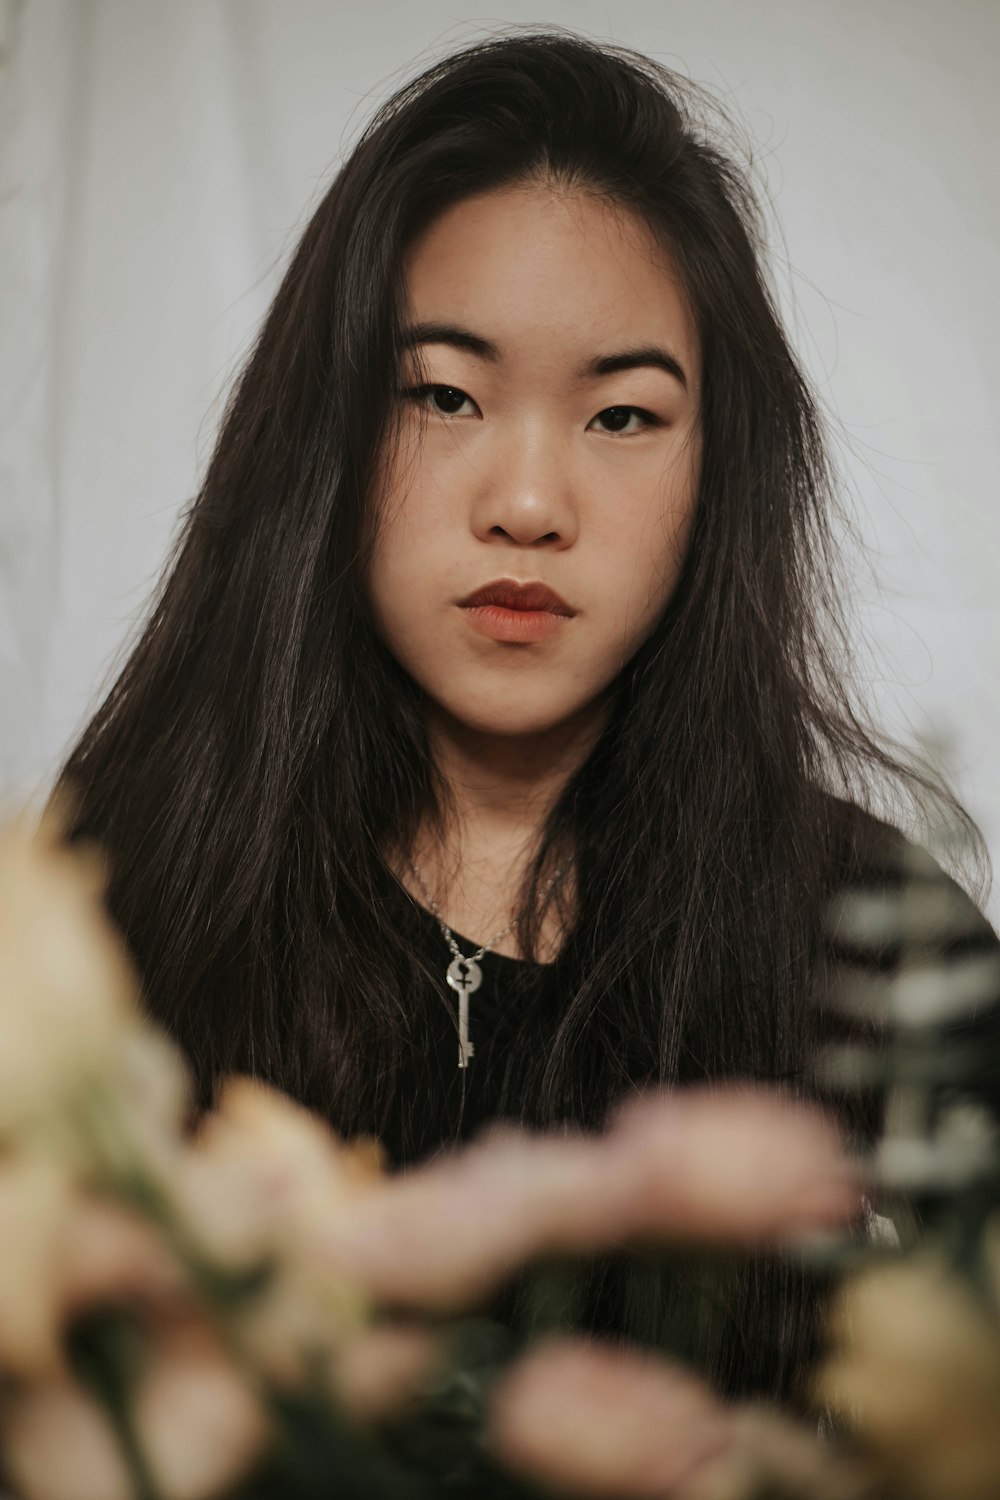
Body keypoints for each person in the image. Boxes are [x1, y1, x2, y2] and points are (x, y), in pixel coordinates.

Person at [53, 23, 996, 1471]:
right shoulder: (120, 882)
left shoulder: (870, 937)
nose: (531, 501)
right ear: (330, 431)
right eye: (445, 394)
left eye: (624, 413)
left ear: (717, 471)